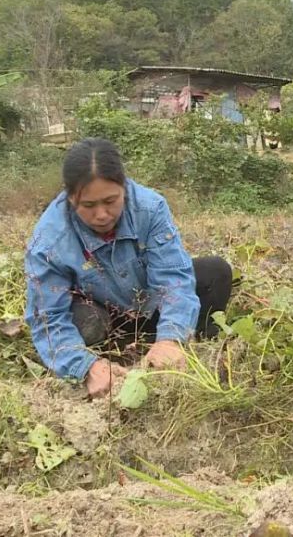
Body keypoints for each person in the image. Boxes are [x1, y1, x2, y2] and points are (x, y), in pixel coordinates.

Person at [24, 137, 233, 397]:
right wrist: (84, 366)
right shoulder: (49, 240)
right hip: (104, 313)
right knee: (85, 323)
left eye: (111, 201)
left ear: (124, 187)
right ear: (70, 198)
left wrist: (171, 337)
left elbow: (173, 278)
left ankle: (181, 344)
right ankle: (112, 356)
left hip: (152, 303)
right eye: (88, 206)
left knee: (215, 273)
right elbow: (47, 315)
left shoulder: (150, 207)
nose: (101, 215)